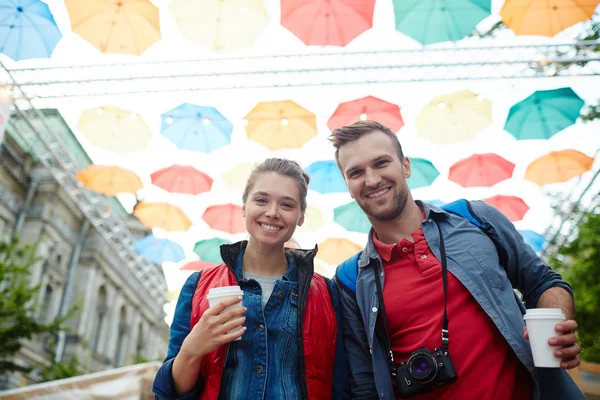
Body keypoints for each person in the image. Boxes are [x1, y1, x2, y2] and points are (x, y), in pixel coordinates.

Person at [328, 120, 584, 400]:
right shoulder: (350, 278)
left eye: (381, 163)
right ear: (348, 187)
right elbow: (364, 382)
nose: (372, 179)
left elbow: (543, 282)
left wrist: (559, 329)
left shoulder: (475, 218)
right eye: (356, 172)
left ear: (405, 166)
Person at [152, 158, 349, 400]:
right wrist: (192, 349)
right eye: (261, 200)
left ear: (301, 216)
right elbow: (170, 393)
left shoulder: (327, 293)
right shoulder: (198, 286)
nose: (272, 213)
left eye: (287, 205)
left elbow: (340, 384)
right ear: (244, 206)